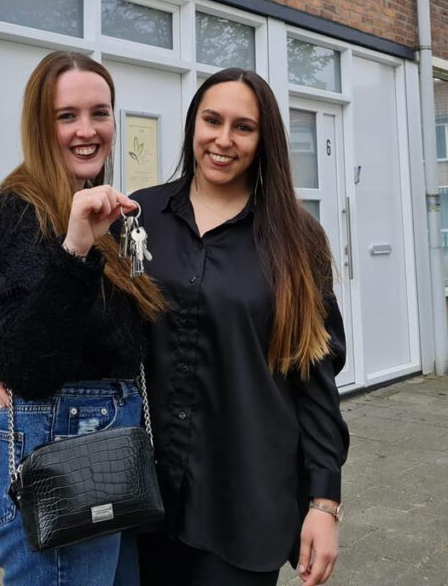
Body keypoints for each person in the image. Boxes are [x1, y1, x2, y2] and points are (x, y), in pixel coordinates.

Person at [131, 69, 350, 586]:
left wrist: (324, 502)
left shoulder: (298, 239)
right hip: (143, 501)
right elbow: (104, 330)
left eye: (243, 127)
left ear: (264, 139)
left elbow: (316, 377)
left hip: (244, 500)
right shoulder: (141, 218)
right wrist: (7, 356)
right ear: (193, 126)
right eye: (212, 120)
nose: (223, 140)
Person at [0, 51, 165, 586]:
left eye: (100, 113)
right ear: (39, 123)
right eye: (67, 116)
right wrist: (74, 249)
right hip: (59, 467)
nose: (87, 130)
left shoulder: (92, 204)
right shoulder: (21, 211)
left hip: (104, 461)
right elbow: (28, 366)